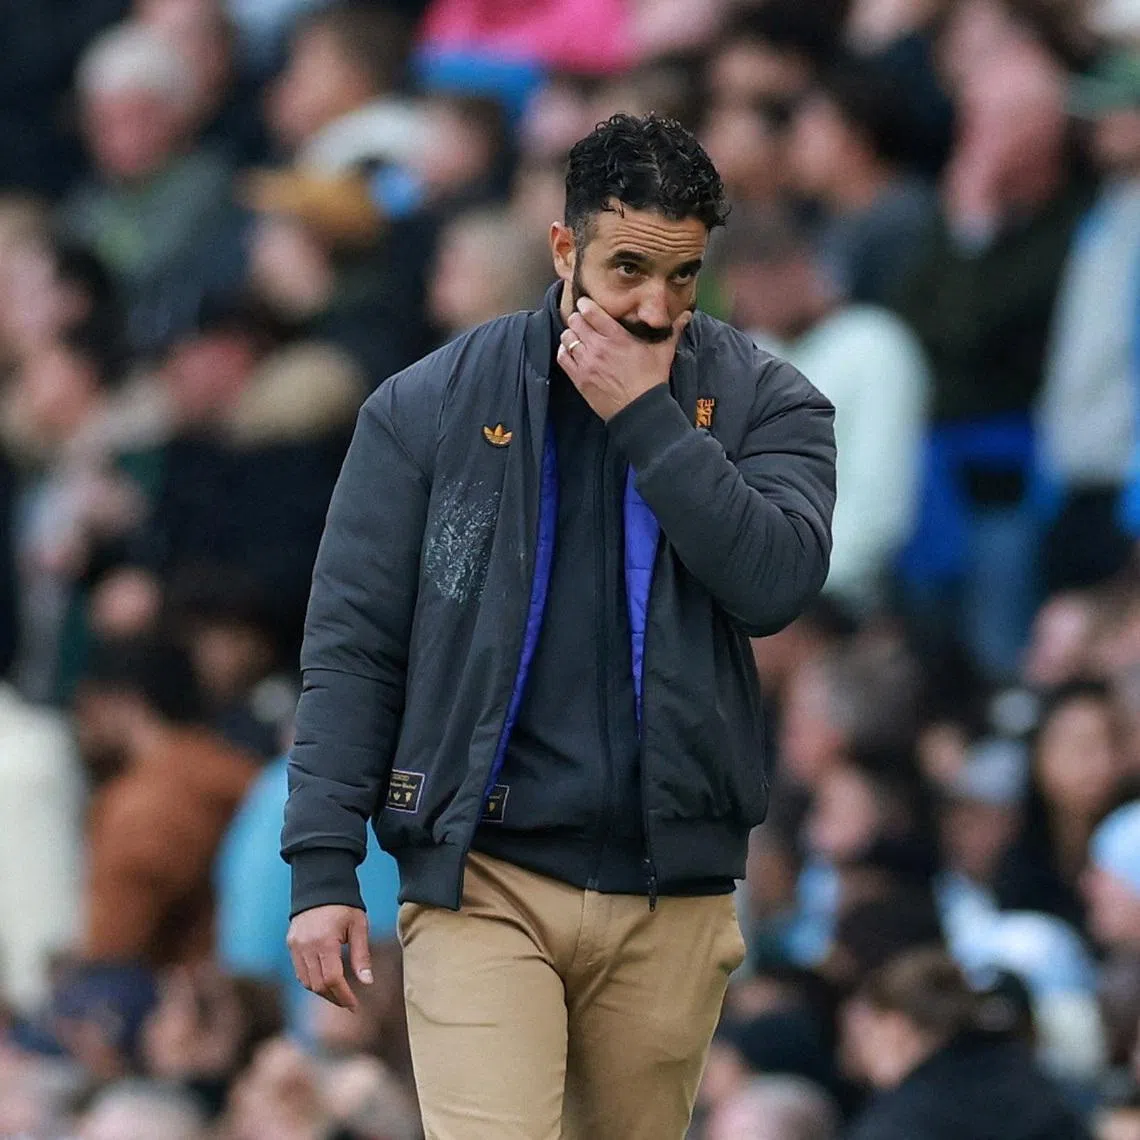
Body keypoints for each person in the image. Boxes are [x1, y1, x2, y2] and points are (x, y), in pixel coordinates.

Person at [282, 112, 836, 1140]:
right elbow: (355, 643)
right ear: (563, 248)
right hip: (481, 877)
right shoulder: (426, 407)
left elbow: (775, 584)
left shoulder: (771, 402)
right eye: (628, 268)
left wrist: (647, 419)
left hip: (672, 890)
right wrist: (324, 869)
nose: (655, 304)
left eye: (684, 276)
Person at [843, 947, 1094, 1140]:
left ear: (897, 1028)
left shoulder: (904, 1119)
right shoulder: (1027, 1075)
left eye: (865, 1035)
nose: (860, 1053)